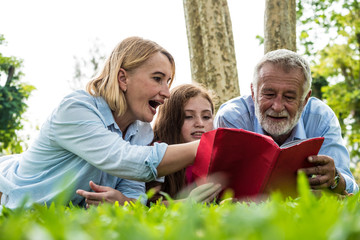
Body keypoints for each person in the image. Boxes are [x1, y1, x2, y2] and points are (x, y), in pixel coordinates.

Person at [0, 37, 201, 208]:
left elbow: (134, 192)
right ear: (123, 78)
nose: (166, 92)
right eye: (158, 79)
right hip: (9, 196)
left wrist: (122, 201)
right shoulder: (75, 109)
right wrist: (203, 147)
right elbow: (125, 159)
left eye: (168, 82)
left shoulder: (142, 132)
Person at [214, 49, 358, 195]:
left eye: (289, 97)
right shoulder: (232, 118)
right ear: (253, 92)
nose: (277, 107)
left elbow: (352, 189)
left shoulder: (322, 119)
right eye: (269, 94)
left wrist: (335, 179)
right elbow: (226, 188)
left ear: (305, 99)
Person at [76, 83, 221, 207]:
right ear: (171, 120)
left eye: (206, 117)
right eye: (188, 116)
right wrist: (186, 203)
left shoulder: (216, 157)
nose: (200, 124)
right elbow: (146, 204)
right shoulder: (155, 152)